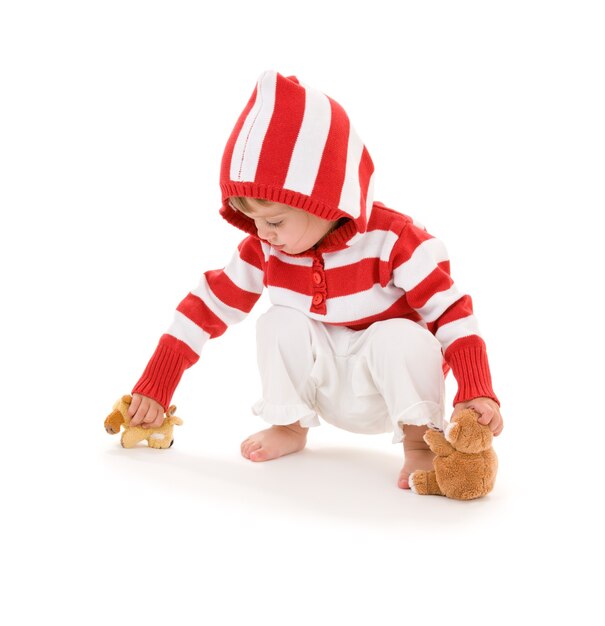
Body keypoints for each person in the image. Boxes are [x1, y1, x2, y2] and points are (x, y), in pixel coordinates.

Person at [128, 70, 503, 489]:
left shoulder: (391, 239)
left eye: (274, 220)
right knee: (277, 321)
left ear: (325, 202)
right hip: (324, 384)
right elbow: (208, 305)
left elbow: (451, 311)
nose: (263, 233)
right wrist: (159, 380)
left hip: (390, 391)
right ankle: (289, 424)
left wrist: (476, 389)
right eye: (253, 221)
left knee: (402, 335)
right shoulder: (266, 248)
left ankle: (418, 443)